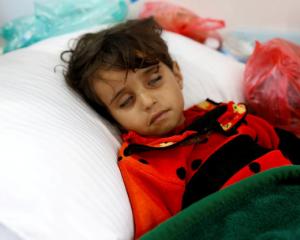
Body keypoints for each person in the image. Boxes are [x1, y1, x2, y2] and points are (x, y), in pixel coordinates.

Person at [61, 17, 300, 239]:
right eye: (126, 101)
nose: (148, 101)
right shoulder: (144, 165)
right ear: (113, 118)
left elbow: (285, 144)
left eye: (154, 80)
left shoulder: (226, 114)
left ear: (176, 74)